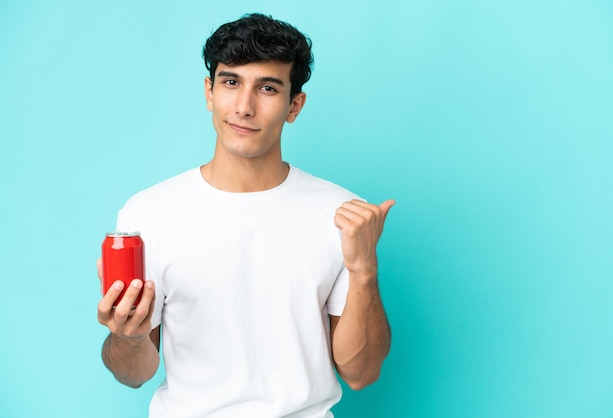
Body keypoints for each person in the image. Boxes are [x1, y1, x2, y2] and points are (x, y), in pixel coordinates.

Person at [97, 13, 394, 418]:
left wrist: (365, 271)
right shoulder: (149, 213)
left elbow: (361, 373)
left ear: (294, 106)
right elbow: (134, 374)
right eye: (231, 82)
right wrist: (127, 338)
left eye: (267, 88)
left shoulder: (339, 213)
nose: (243, 107)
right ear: (209, 91)